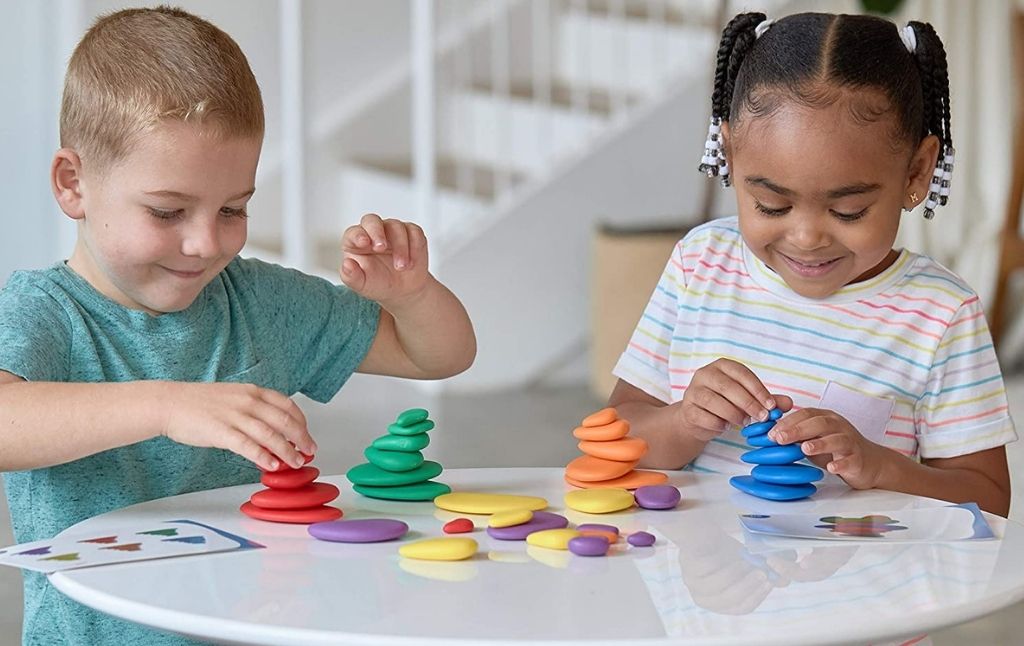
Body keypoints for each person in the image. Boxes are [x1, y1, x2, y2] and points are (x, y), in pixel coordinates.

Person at [0, 7, 475, 644]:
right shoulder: (43, 310)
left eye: (232, 209)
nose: (205, 243)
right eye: (167, 212)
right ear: (73, 184)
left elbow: (436, 357)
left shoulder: (259, 299)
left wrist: (413, 296)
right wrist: (167, 406)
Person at [610, 12, 1016, 517]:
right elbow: (616, 438)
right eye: (771, 206)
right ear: (730, 155)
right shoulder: (702, 263)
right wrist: (683, 422)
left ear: (916, 172)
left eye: (849, 211)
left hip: (861, 569)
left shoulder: (941, 313)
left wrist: (879, 467)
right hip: (697, 564)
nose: (806, 238)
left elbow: (988, 500)